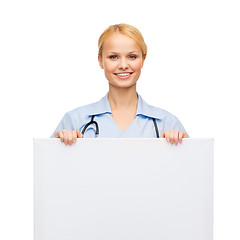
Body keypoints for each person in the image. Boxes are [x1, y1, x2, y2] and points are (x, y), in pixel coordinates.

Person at [52, 23, 188, 145]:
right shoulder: (75, 121)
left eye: (132, 57)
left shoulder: (167, 123)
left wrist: (183, 147)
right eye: (113, 57)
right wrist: (58, 146)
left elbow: (192, 169)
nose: (123, 65)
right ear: (100, 61)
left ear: (143, 60)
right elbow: (49, 168)